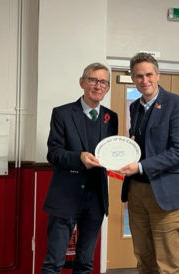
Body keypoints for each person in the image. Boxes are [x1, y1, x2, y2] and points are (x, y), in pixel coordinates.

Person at [119, 53, 179, 274]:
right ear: (133, 78)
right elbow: (142, 145)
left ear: (157, 75)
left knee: (168, 263)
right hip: (136, 192)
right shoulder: (135, 107)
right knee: (144, 258)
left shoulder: (175, 104)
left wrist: (141, 166)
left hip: (166, 194)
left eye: (149, 74)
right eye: (139, 76)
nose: (145, 80)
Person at [41, 62, 118, 274]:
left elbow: (110, 154)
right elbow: (53, 153)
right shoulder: (62, 113)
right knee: (53, 263)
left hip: (95, 200)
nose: (98, 85)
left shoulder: (111, 117)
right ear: (82, 82)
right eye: (93, 80)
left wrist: (125, 153)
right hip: (65, 197)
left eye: (103, 82)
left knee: (85, 263)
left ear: (108, 88)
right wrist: (79, 157)